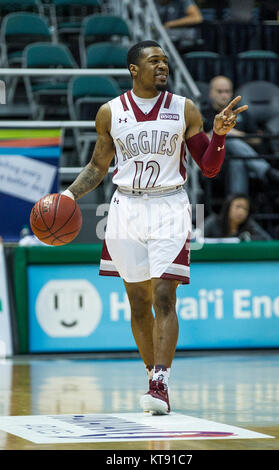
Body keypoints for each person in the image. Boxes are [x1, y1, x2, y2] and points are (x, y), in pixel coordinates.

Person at [62, 40, 248, 415]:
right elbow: (98, 167)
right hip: (125, 206)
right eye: (154, 62)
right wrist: (68, 195)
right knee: (138, 301)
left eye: (165, 61)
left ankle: (160, 382)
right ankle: (150, 372)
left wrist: (220, 136)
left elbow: (208, 168)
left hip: (170, 205)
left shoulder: (184, 108)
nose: (163, 67)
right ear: (134, 69)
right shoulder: (110, 113)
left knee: (165, 295)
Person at [202, 75, 279, 194]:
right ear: (211, 93)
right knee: (227, 136)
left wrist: (238, 135)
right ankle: (265, 171)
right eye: (220, 91)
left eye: (227, 91)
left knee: (237, 160)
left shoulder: (241, 114)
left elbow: (257, 140)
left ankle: (236, 205)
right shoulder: (204, 114)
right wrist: (220, 135)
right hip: (215, 161)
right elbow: (199, 141)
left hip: (239, 158)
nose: (224, 95)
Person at [204, 193, 272, 241]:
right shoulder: (213, 221)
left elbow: (267, 240)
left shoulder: (249, 224)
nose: (241, 212)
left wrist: (248, 238)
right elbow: (196, 240)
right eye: (238, 207)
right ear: (228, 208)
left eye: (245, 209)